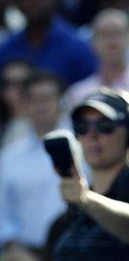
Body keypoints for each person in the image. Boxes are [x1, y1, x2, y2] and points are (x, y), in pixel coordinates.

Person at [0, 71, 68, 261]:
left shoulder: (85, 150)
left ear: (60, 102)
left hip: (77, 251)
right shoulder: (10, 156)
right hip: (24, 254)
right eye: (35, 99)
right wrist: (12, 246)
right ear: (25, 105)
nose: (42, 106)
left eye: (48, 98)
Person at [52, 88, 129, 260]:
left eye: (105, 125)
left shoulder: (84, 199)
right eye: (83, 126)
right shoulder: (70, 214)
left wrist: (86, 199)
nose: (92, 135)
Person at [64, 9, 129, 110]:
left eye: (117, 34)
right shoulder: (78, 94)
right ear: (93, 42)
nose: (112, 42)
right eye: (104, 35)